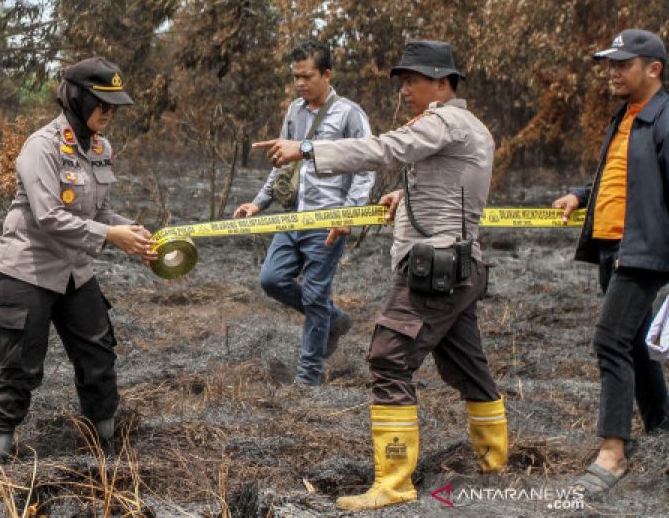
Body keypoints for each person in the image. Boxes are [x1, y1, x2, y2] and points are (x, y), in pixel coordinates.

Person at [258, 40, 507, 511]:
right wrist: (403, 199)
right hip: (459, 265)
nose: (405, 90)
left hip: (435, 270)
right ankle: (494, 461)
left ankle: (394, 482)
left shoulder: (445, 120)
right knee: (468, 365)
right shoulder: (467, 126)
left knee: (389, 357)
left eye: (411, 80)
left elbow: (386, 148)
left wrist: (307, 149)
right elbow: (450, 187)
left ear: (440, 80)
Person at [0, 57, 157, 458]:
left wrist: (134, 233)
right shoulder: (40, 147)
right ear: (77, 98)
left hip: (75, 271)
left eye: (115, 105)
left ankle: (105, 444)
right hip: (28, 269)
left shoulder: (101, 148)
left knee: (98, 356)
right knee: (20, 367)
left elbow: (99, 215)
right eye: (102, 103)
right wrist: (109, 235)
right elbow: (48, 217)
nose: (109, 113)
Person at [551, 29, 669, 495]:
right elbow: (619, 174)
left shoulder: (664, 118)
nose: (612, 72)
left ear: (653, 68)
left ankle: (612, 453)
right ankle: (661, 426)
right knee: (633, 342)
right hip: (612, 245)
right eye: (610, 64)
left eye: (623, 64)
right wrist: (582, 195)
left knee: (609, 341)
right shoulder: (626, 117)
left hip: (643, 251)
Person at [233, 40, 374, 385]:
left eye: (307, 76)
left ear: (326, 74)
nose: (299, 83)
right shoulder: (295, 111)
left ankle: (307, 379)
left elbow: (367, 166)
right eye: (295, 77)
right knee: (272, 279)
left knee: (314, 295)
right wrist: (259, 202)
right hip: (293, 215)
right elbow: (282, 162)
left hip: (327, 220)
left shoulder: (350, 114)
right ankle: (335, 320)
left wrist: (349, 214)